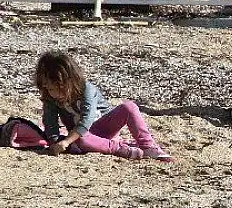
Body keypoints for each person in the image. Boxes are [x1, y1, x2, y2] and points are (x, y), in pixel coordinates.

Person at [35, 50, 173, 161]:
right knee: (81, 139)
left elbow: (86, 120)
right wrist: (54, 143)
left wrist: (66, 142)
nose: (49, 92)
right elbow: (50, 121)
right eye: (46, 88)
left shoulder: (86, 89)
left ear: (65, 82)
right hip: (82, 138)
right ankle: (121, 149)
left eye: (52, 88)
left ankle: (147, 146)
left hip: (99, 129)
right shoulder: (50, 98)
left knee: (129, 107)